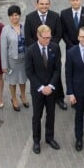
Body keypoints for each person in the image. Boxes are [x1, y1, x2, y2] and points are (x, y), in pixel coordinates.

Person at [24, 0, 65, 109]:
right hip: (37, 53)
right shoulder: (29, 17)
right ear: (36, 4)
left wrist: (50, 46)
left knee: (56, 74)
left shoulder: (55, 16)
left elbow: (58, 34)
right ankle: (40, 94)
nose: (44, 6)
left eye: (46, 4)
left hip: (52, 51)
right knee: (39, 74)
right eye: (41, 4)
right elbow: (28, 37)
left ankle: (59, 98)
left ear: (49, 4)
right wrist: (39, 48)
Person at [26, 24, 62, 154]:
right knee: (37, 116)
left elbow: (58, 69)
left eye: (49, 37)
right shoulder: (30, 50)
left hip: (51, 90)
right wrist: (41, 87)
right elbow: (29, 72)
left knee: (51, 114)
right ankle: (36, 140)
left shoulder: (55, 48)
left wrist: (51, 86)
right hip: (38, 90)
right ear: (38, 36)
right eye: (45, 38)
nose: (48, 40)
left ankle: (49, 138)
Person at [0, 5, 29, 112]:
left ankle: (23, 96)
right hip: (12, 60)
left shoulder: (24, 26)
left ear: (19, 15)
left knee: (22, 79)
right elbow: (3, 49)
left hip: (24, 58)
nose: (14, 17)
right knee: (12, 81)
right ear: (9, 17)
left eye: (16, 15)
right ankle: (14, 98)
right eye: (12, 15)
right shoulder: (5, 30)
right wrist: (4, 65)